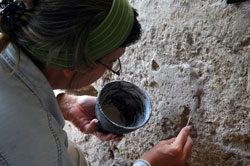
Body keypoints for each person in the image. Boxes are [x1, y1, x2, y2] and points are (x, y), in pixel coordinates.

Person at [0, 0, 193, 165]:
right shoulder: (37, 144)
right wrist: (147, 163)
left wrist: (63, 104)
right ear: (74, 65)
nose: (112, 66)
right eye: (110, 62)